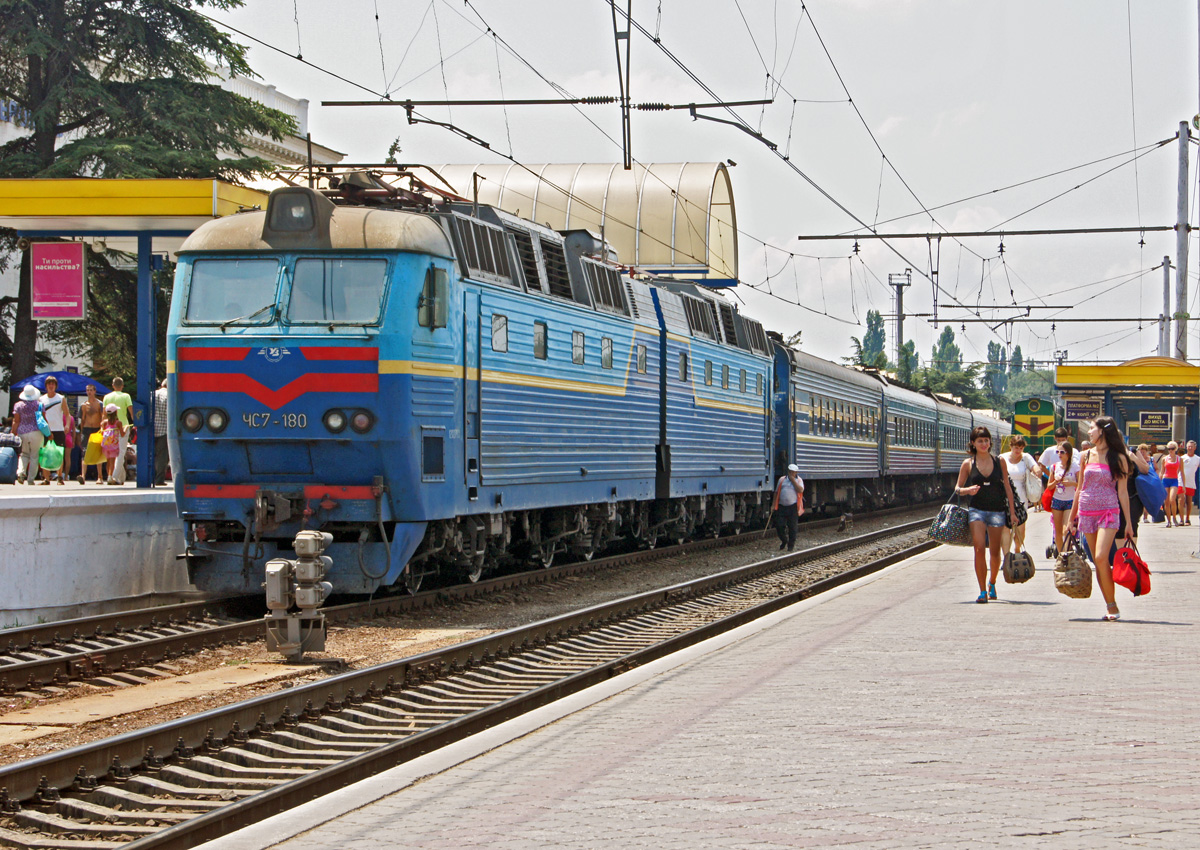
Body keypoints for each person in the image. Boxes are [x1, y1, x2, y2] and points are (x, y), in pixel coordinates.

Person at [1068, 416, 1134, 621]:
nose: (1089, 432)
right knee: (1098, 562)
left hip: (1109, 511)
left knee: (1100, 557)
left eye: (1092, 428)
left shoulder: (1119, 457)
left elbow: (1123, 492)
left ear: (1103, 431)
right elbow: (1079, 489)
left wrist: (1129, 523)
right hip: (1086, 512)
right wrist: (1071, 519)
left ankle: (1112, 606)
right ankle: (1109, 605)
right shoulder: (1085, 456)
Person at [954, 426, 1018, 603]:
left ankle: (992, 582)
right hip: (977, 511)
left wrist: (1012, 513)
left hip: (997, 511)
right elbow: (957, 489)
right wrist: (968, 490)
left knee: (995, 552)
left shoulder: (999, 461)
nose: (984, 444)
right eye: (980, 441)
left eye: (986, 440)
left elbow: (1007, 487)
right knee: (979, 548)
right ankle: (982, 590)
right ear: (973, 443)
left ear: (990, 442)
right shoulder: (968, 464)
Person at [1000, 435, 1042, 569]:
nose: (1018, 450)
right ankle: (1006, 558)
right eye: (1016, 447)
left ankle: (1017, 550)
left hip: (1021, 499)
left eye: (1021, 448)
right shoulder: (1003, 458)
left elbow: (1035, 468)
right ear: (1011, 446)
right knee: (1005, 529)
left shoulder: (1026, 458)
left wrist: (1037, 471)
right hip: (1004, 497)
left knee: (1020, 530)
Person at [1045, 442, 1080, 559]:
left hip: (1070, 501)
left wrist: (1071, 483)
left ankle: (1066, 552)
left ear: (1068, 454)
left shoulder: (1075, 466)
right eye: (1058, 452)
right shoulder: (1054, 467)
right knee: (1058, 533)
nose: (1059, 454)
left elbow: (1081, 483)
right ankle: (1061, 557)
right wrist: (1056, 481)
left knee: (1067, 530)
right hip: (1057, 501)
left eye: (1062, 452)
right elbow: (1049, 486)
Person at [10, 385, 44, 485]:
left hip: (22, 432)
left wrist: (13, 432)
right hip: (36, 431)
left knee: (24, 454)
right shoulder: (39, 405)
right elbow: (43, 419)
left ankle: (21, 472)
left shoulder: (18, 405)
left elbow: (16, 421)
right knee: (34, 456)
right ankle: (30, 479)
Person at [37, 377, 68, 485]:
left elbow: (67, 414)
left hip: (58, 429)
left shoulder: (61, 398)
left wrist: (67, 425)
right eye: (49, 384)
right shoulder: (41, 399)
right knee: (45, 454)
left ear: (55, 386)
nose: (51, 386)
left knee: (59, 453)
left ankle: (60, 477)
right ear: (46, 386)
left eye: (53, 384)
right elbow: (39, 416)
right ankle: (46, 478)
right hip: (46, 430)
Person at [102, 377, 133, 484]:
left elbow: (104, 414)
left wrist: (103, 427)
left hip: (109, 429)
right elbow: (131, 411)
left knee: (112, 452)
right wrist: (134, 422)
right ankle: (114, 477)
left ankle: (121, 478)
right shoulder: (126, 396)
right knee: (121, 453)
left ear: (113, 385)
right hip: (123, 425)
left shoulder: (106, 397)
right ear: (122, 386)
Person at [771, 464, 805, 551]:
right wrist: (773, 504)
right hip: (782, 506)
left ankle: (791, 546)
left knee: (792, 527)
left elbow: (800, 490)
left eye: (793, 472)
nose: (791, 473)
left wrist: (793, 480)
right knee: (779, 525)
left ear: (796, 472)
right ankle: (784, 540)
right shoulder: (782, 480)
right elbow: (776, 492)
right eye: (790, 472)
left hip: (793, 507)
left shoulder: (799, 480)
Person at [77, 383, 104, 483]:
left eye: (91, 390)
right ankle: (83, 476)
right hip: (87, 429)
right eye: (88, 390)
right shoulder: (84, 405)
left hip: (97, 429)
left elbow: (102, 417)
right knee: (85, 452)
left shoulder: (99, 404)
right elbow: (82, 420)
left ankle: (100, 477)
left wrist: (102, 430)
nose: (89, 392)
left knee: (98, 452)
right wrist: (81, 433)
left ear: (95, 391)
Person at [99, 404, 126, 484]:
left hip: (106, 444)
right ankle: (110, 477)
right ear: (116, 412)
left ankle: (109, 476)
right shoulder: (118, 423)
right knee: (112, 461)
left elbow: (101, 432)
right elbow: (122, 434)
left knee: (108, 461)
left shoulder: (104, 422)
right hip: (114, 445)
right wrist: (125, 428)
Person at [1157, 441, 1182, 527]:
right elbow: (1162, 471)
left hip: (1174, 480)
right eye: (1169, 449)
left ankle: (1174, 517)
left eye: (1172, 449)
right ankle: (1169, 520)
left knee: (1172, 499)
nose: (1170, 450)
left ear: (1175, 449)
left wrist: (1184, 484)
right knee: (1166, 501)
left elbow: (1181, 472)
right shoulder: (1165, 459)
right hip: (1165, 480)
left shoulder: (1179, 459)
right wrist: (1159, 482)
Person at [1179, 440, 1199, 525]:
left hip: (1191, 482)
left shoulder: (1197, 459)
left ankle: (1187, 519)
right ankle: (1181, 519)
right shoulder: (1182, 458)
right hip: (1181, 481)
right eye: (1189, 446)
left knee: (1189, 501)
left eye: (1192, 446)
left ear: (1195, 448)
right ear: (1186, 447)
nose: (1190, 448)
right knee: (1181, 500)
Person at [153, 379, 169, 486]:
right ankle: (159, 479)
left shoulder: (151, 394)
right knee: (163, 456)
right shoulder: (169, 396)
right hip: (164, 429)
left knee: (152, 454)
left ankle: (151, 477)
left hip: (151, 429)